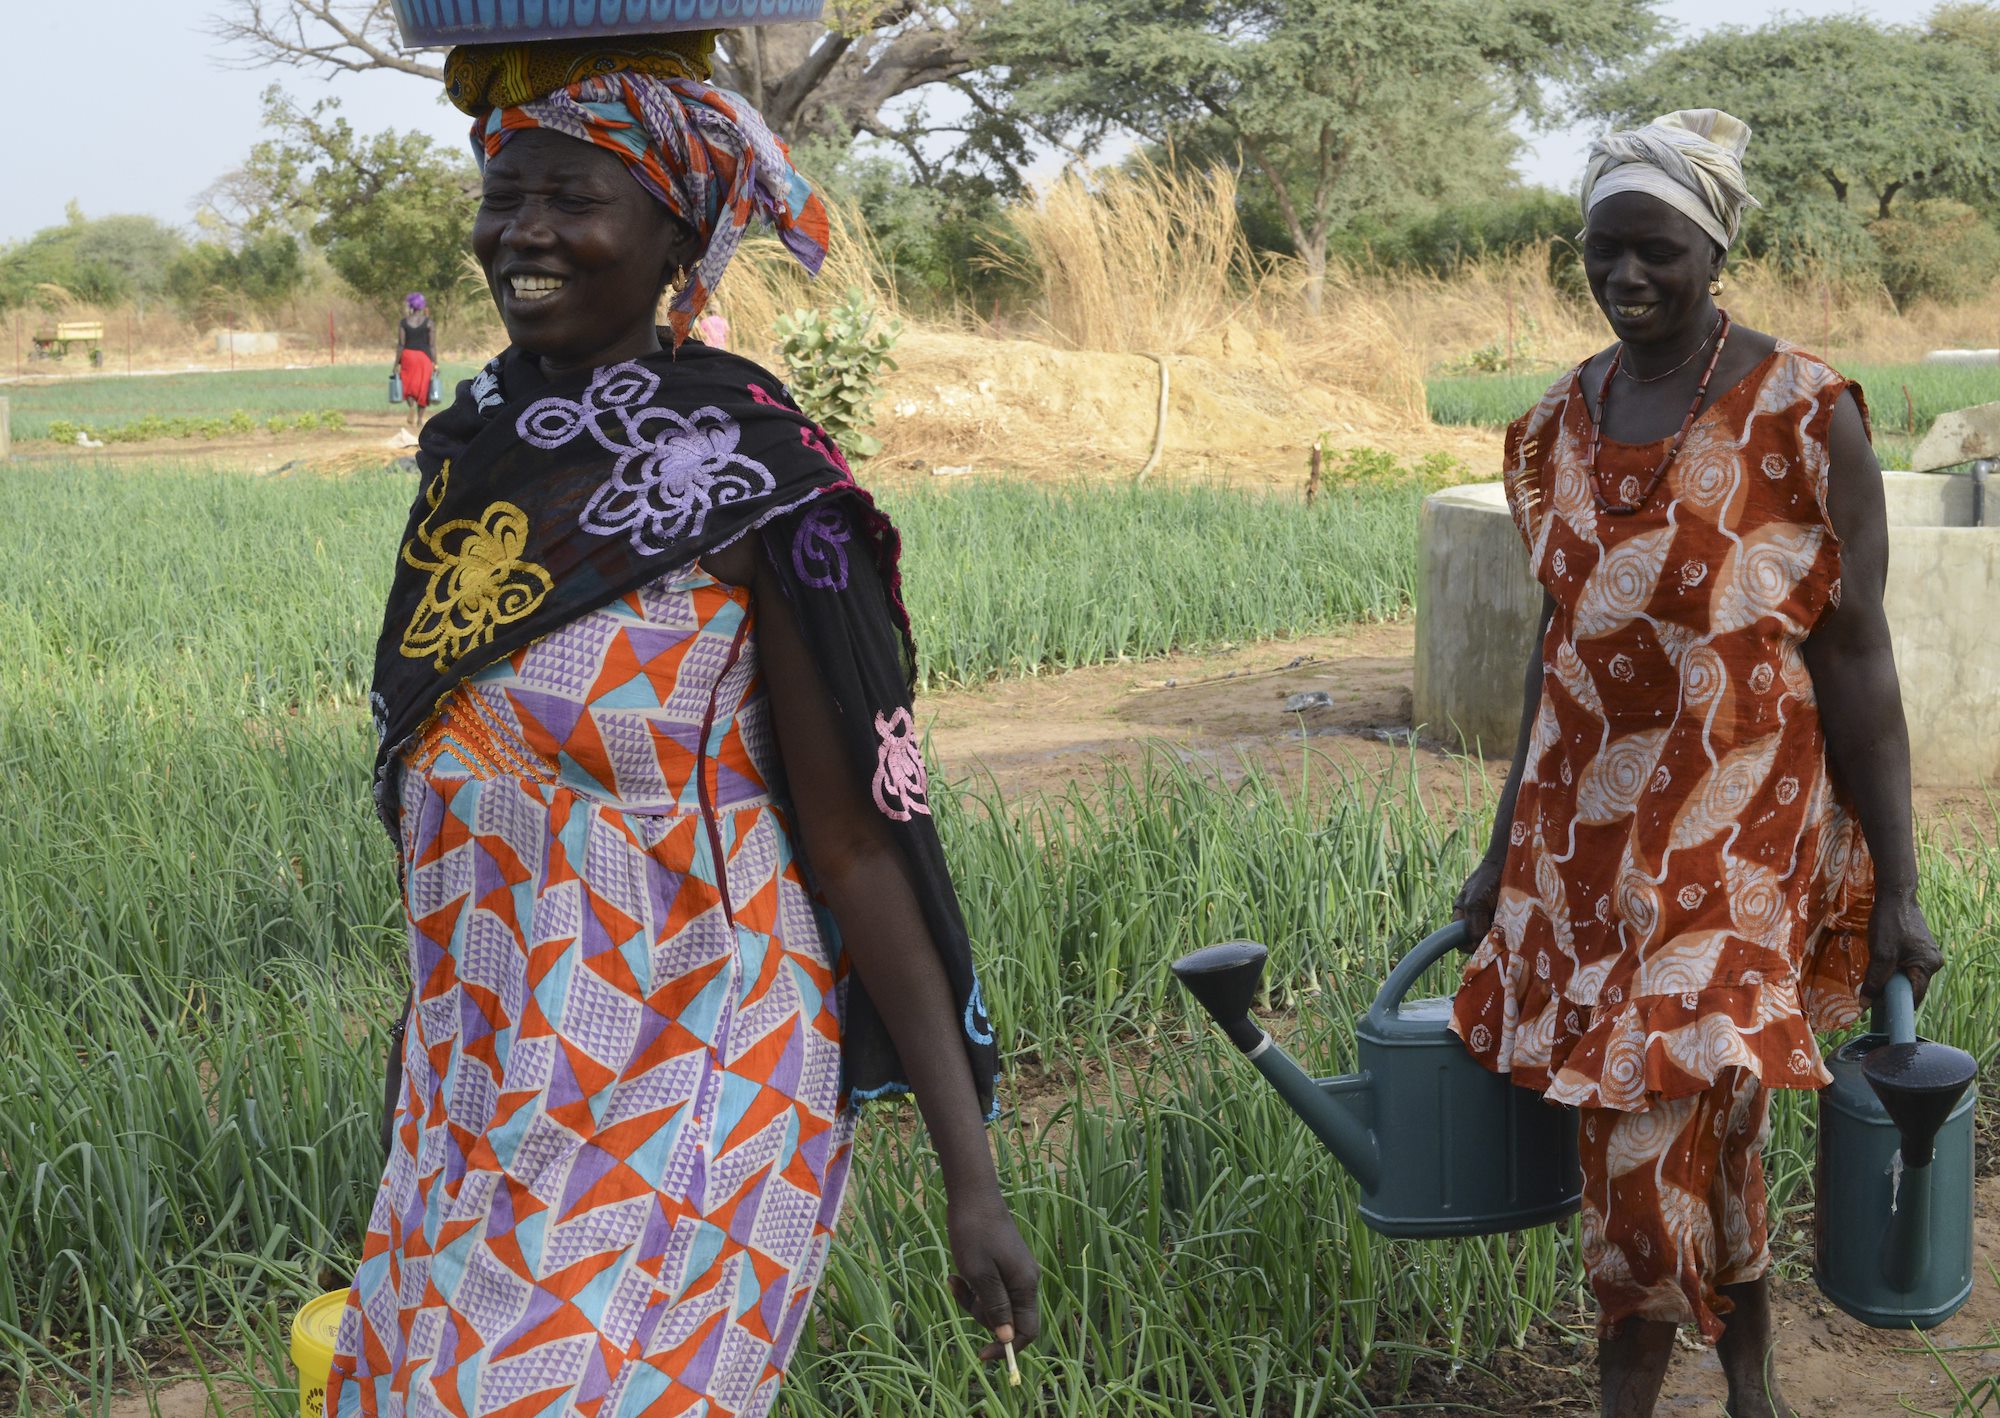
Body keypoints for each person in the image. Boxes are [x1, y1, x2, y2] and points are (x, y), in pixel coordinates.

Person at [329, 30, 1038, 1417]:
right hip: (491, 1062)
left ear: (677, 235)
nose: (521, 234)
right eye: (504, 195)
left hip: (699, 1051)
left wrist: (973, 1183)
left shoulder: (762, 481)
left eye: (572, 200)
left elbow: (856, 844)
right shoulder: (478, 441)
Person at [1447, 110, 1942, 1418]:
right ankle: (1756, 1382)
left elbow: (1860, 661)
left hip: (1735, 829)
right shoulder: (1553, 429)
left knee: (1640, 1117)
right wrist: (1501, 854)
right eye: (1602, 250)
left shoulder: (1804, 416)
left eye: (1656, 250)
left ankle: (1624, 1392)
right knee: (1705, 1119)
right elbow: (1560, 654)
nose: (1625, 277)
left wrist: (1898, 881)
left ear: (1714, 247)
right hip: (1580, 845)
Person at [396, 293, 436, 429]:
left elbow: (401, 344)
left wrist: (396, 363)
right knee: (423, 388)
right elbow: (432, 345)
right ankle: (419, 419)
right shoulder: (429, 323)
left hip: (408, 356)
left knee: (408, 386)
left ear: (411, 305)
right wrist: (435, 363)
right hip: (424, 358)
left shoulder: (404, 322)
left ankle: (411, 406)